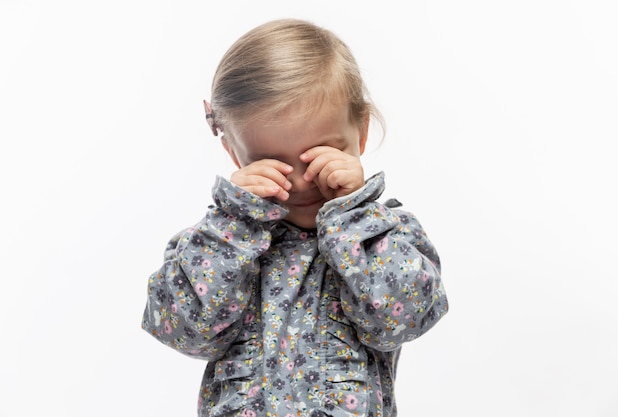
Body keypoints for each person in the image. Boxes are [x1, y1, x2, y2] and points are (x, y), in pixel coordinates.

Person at [142, 18, 448, 417]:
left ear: (361, 132)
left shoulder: (386, 235)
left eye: (319, 153)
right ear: (236, 155)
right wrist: (236, 224)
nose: (303, 182)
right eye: (272, 163)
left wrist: (352, 213)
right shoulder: (216, 243)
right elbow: (184, 334)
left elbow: (403, 321)